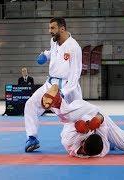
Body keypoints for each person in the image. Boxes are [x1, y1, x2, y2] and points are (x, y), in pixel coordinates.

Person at [24, 17, 83, 152]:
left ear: (62, 29)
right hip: (50, 83)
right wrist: (45, 55)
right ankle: (32, 137)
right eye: (49, 28)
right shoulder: (54, 41)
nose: (49, 31)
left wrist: (64, 92)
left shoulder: (74, 47)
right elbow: (54, 53)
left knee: (79, 118)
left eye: (52, 28)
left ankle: (99, 137)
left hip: (68, 86)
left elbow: (75, 73)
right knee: (31, 104)